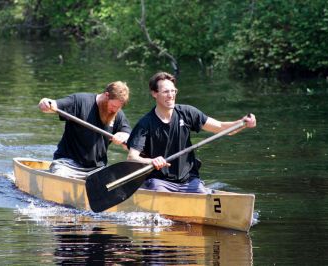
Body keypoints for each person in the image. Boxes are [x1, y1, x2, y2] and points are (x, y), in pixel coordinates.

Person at [126, 72, 256, 193]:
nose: (171, 95)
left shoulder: (187, 113)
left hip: (189, 180)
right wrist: (152, 161)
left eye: (173, 91)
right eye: (165, 92)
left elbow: (222, 128)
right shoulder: (145, 124)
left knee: (202, 195)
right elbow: (132, 157)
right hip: (160, 182)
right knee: (159, 197)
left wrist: (242, 123)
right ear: (154, 93)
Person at [38, 81, 131, 178]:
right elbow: (53, 105)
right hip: (67, 165)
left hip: (97, 169)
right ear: (106, 95)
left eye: (118, 108)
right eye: (113, 106)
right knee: (59, 176)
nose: (115, 110)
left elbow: (127, 135)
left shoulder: (117, 114)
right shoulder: (80, 101)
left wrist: (123, 136)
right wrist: (45, 102)